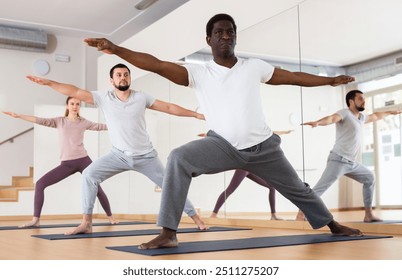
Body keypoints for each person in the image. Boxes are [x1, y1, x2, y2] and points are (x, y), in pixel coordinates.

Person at [84, 13, 363, 249]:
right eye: (219, 33)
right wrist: (117, 49)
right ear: (209, 40)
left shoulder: (254, 67)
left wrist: (330, 81)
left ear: (236, 37)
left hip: (264, 148)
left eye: (230, 32)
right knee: (179, 158)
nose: (225, 36)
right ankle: (168, 232)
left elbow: (292, 77)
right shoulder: (198, 72)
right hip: (221, 146)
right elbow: (156, 64)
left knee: (298, 189)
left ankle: (333, 225)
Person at [27, 63, 207, 235]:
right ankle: (86, 223)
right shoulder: (103, 98)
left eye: (126, 75)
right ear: (111, 80)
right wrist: (50, 83)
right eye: (119, 75)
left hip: (146, 157)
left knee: (170, 186)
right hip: (118, 156)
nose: (123, 78)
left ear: (129, 78)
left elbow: (168, 107)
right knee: (89, 175)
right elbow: (75, 91)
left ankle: (196, 218)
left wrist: (196, 114)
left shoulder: (141, 97)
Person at [3, 97, 117, 227]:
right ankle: (36, 220)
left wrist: (120, 125)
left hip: (84, 160)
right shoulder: (60, 121)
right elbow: (41, 121)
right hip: (67, 164)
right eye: (72, 104)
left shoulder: (83, 122)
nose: (75, 106)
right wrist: (19, 116)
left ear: (79, 107)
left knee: (96, 188)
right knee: (40, 184)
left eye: (77, 104)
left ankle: (110, 217)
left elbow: (101, 127)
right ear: (67, 106)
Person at [295, 89, 401, 222]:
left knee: (369, 178)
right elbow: (332, 118)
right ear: (351, 101)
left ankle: (368, 215)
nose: (364, 101)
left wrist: (390, 112)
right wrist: (318, 122)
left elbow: (375, 116)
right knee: (321, 188)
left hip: (352, 163)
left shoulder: (361, 118)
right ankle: (301, 213)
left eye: (364, 99)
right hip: (338, 160)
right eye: (361, 99)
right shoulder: (345, 113)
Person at [209, 130, 293, 220]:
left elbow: (270, 132)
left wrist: (284, 132)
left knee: (272, 187)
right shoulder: (243, 137)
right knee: (230, 190)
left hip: (252, 167)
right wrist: (210, 136)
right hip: (243, 168)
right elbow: (226, 138)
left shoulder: (257, 135)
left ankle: (273, 215)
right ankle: (214, 214)